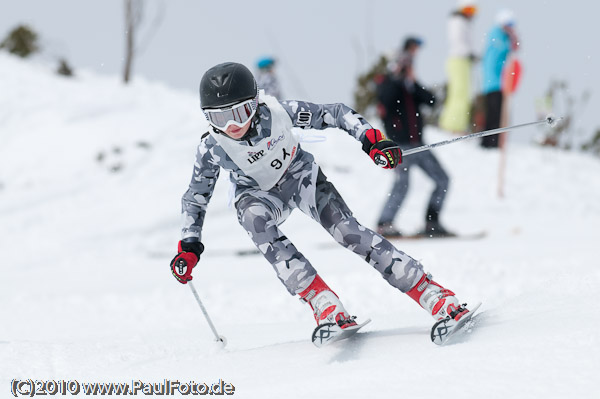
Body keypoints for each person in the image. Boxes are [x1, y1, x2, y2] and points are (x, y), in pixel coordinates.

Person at [169, 62, 473, 341]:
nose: (231, 126)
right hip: (258, 196)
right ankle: (323, 302)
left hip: (302, 178)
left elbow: (335, 113)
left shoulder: (278, 112)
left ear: (255, 103)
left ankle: (432, 293)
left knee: (348, 232)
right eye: (218, 117)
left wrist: (370, 138)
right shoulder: (212, 147)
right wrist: (189, 245)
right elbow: (196, 198)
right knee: (252, 217)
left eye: (238, 113)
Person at [375, 38, 454, 238]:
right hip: (400, 147)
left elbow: (431, 100)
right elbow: (385, 102)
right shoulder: (388, 85)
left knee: (442, 179)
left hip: (418, 144)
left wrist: (413, 82)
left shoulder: (410, 87)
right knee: (402, 184)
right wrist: (397, 79)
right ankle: (385, 223)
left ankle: (432, 223)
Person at [480, 9, 519, 148]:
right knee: (493, 115)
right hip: (493, 82)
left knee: (497, 114)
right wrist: (512, 39)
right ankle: (488, 143)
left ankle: (494, 142)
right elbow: (503, 49)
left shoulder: (503, 36)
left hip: (499, 82)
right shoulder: (496, 34)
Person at [439, 0, 479, 134]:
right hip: (458, 59)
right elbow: (459, 42)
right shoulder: (457, 21)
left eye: (473, 11)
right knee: (459, 92)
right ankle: (452, 125)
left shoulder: (463, 23)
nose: (471, 14)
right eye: (468, 10)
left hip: (463, 60)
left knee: (464, 93)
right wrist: (470, 53)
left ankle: (458, 124)